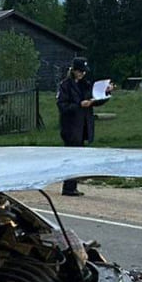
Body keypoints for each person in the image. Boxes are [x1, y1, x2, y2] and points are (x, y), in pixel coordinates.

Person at [56, 57, 112, 196]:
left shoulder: (86, 85)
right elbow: (62, 106)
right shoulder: (65, 86)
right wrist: (78, 105)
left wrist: (106, 92)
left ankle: (72, 185)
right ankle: (68, 187)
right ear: (74, 70)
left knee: (78, 157)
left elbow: (96, 99)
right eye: (79, 71)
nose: (82, 74)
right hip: (70, 126)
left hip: (83, 125)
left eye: (84, 72)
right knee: (72, 157)